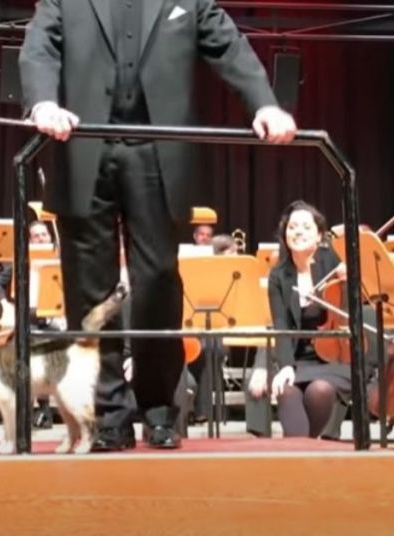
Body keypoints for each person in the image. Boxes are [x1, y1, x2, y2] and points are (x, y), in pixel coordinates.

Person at [20, 0, 297, 450]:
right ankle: (106, 414)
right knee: (90, 292)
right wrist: (44, 102)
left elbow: (231, 47)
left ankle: (158, 409)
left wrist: (264, 104)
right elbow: (39, 48)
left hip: (158, 152)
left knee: (158, 282)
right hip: (84, 144)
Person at [247, 201, 350, 438]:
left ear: (319, 235)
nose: (298, 231)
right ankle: (304, 456)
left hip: (336, 359)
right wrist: (285, 366)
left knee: (320, 390)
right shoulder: (279, 276)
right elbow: (281, 326)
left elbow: (348, 316)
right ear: (285, 234)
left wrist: (347, 280)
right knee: (286, 390)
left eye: (306, 226)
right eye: (292, 227)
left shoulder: (333, 263)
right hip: (297, 360)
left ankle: (303, 453)